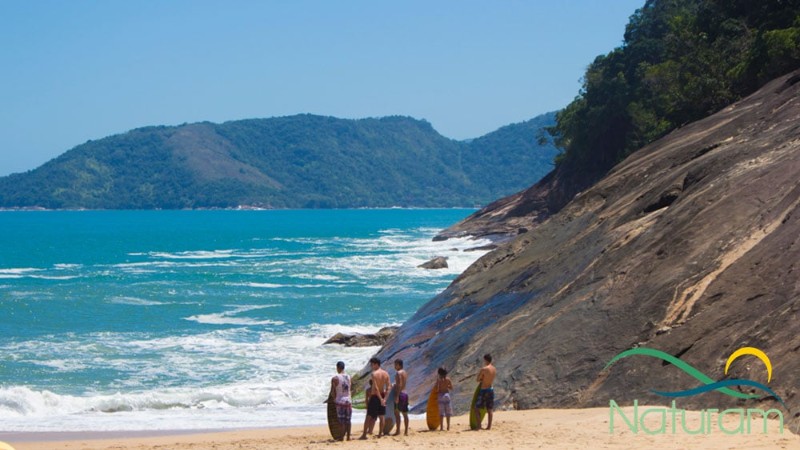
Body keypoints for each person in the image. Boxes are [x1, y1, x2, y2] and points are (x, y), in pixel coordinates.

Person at [360, 357, 390, 439]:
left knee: (368, 416)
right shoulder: (386, 373)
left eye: (372, 364)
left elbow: (376, 388)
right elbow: (388, 387)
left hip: (375, 397)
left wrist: (380, 399)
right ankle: (380, 434)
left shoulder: (374, 374)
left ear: (376, 364)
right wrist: (384, 399)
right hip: (383, 395)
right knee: (382, 416)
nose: (371, 366)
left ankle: (364, 435)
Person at [329, 361, 352, 440]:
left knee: (341, 421)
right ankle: (348, 437)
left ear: (337, 368)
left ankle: (341, 437)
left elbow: (333, 391)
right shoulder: (349, 377)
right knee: (348, 420)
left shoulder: (335, 378)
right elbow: (349, 389)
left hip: (340, 401)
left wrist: (333, 400)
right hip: (348, 400)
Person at [474, 353, 496, 430]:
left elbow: (477, 379)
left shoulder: (484, 369)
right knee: (490, 409)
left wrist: (482, 379)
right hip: (491, 389)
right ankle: (489, 427)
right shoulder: (494, 369)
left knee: (476, 408)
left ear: (485, 360)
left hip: (483, 390)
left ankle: (479, 426)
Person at [393, 359, 409, 436]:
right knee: (405, 413)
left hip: (400, 394)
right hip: (405, 394)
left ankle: (398, 431)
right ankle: (406, 431)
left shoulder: (398, 373)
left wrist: (396, 396)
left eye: (395, 365)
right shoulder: (405, 372)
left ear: (399, 365)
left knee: (397, 413)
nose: (394, 366)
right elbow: (402, 383)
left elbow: (399, 384)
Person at [436, 367, 454, 431]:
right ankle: (448, 427)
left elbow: (437, 389)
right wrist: (447, 386)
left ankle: (441, 427)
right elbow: (451, 388)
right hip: (447, 395)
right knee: (448, 413)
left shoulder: (439, 380)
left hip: (441, 396)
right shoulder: (448, 379)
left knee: (441, 413)